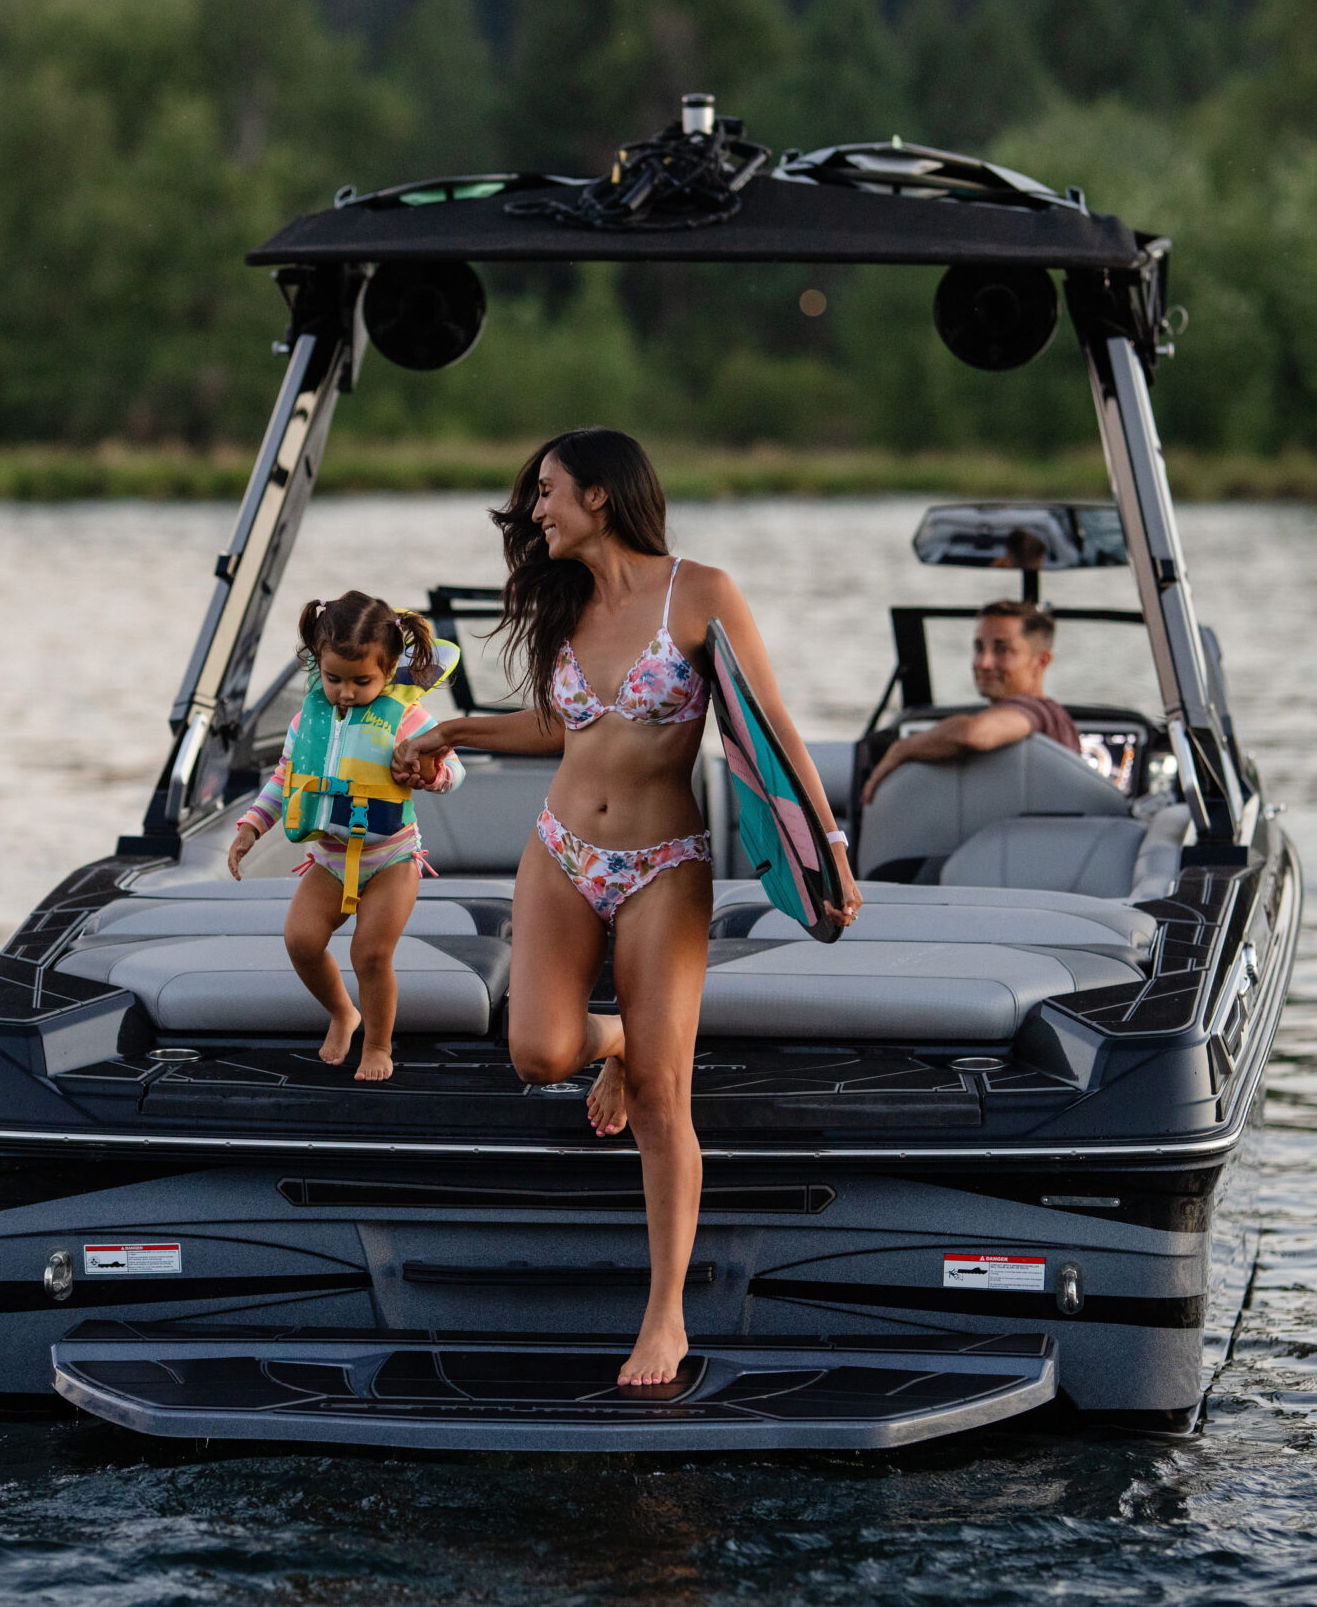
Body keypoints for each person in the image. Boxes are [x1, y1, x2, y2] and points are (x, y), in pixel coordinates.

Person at [392, 428, 863, 1387]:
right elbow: (557, 726)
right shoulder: (565, 605)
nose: (536, 512)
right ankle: (611, 1039)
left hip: (664, 862)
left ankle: (666, 1318)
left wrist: (829, 851)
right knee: (540, 1054)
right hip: (562, 848)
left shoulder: (702, 592)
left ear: (601, 496)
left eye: (548, 493)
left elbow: (771, 729)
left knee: (661, 1099)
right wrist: (454, 728)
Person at [227, 593, 466, 1082]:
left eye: (363, 681)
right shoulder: (307, 720)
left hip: (391, 858)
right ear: (318, 664)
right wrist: (251, 827)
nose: (347, 693)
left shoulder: (408, 716)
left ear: (390, 669)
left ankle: (378, 1045)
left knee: (370, 954)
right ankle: (343, 1012)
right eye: (334, 679)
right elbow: (284, 778)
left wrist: (430, 772)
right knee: (300, 939)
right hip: (330, 859)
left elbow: (455, 771)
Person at [861, 599, 1081, 804]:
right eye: (979, 648)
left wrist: (902, 749)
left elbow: (972, 734)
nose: (983, 663)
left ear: (1041, 661)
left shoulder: (1039, 711)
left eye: (1002, 650)